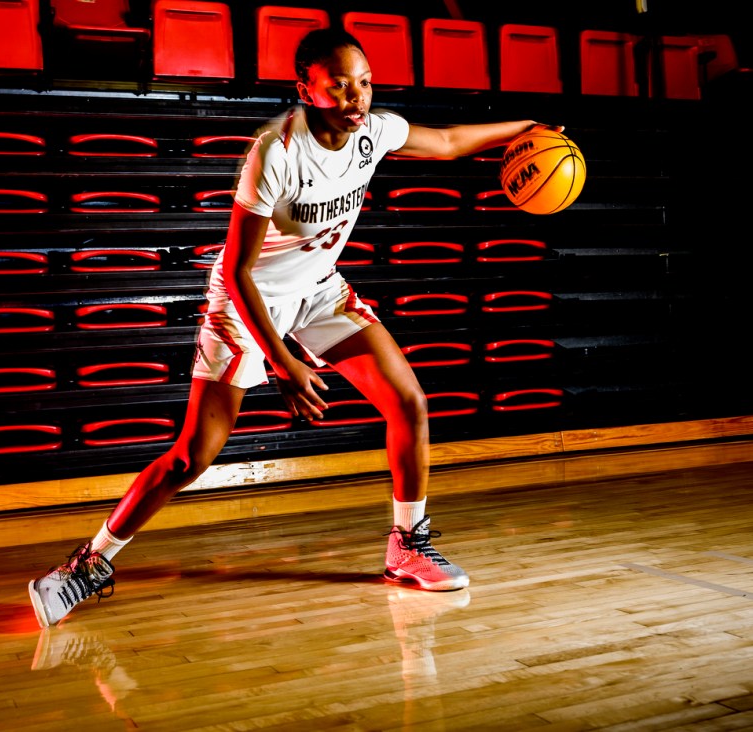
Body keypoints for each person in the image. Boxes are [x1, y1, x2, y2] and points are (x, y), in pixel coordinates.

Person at [29, 27, 556, 628]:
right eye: (339, 85)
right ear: (305, 87)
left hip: (318, 289)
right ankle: (84, 567)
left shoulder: (373, 132)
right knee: (192, 456)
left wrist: (525, 129)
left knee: (408, 401)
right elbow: (236, 269)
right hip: (246, 303)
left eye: (363, 82)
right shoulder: (276, 151)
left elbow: (447, 141)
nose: (356, 96)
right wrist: (282, 362)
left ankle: (407, 546)